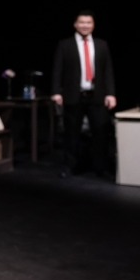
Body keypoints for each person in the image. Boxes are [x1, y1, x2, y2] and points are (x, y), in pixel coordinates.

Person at [51, 10, 116, 178]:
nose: (85, 25)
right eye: (82, 22)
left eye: (89, 23)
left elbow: (108, 71)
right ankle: (69, 166)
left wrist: (111, 94)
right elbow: (57, 70)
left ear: (93, 25)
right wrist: (56, 92)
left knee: (100, 132)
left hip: (97, 95)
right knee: (71, 132)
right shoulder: (65, 44)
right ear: (75, 24)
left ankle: (100, 167)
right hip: (74, 94)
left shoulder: (102, 44)